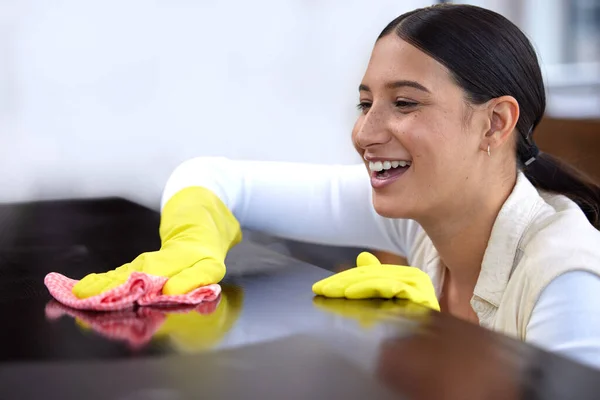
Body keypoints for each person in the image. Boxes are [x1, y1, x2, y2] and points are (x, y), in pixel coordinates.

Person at [71, 4, 600, 368]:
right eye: (365, 102)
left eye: (406, 102)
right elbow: (208, 176)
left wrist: (444, 353)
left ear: (494, 123)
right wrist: (192, 244)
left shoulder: (566, 278)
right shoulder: (417, 221)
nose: (364, 133)